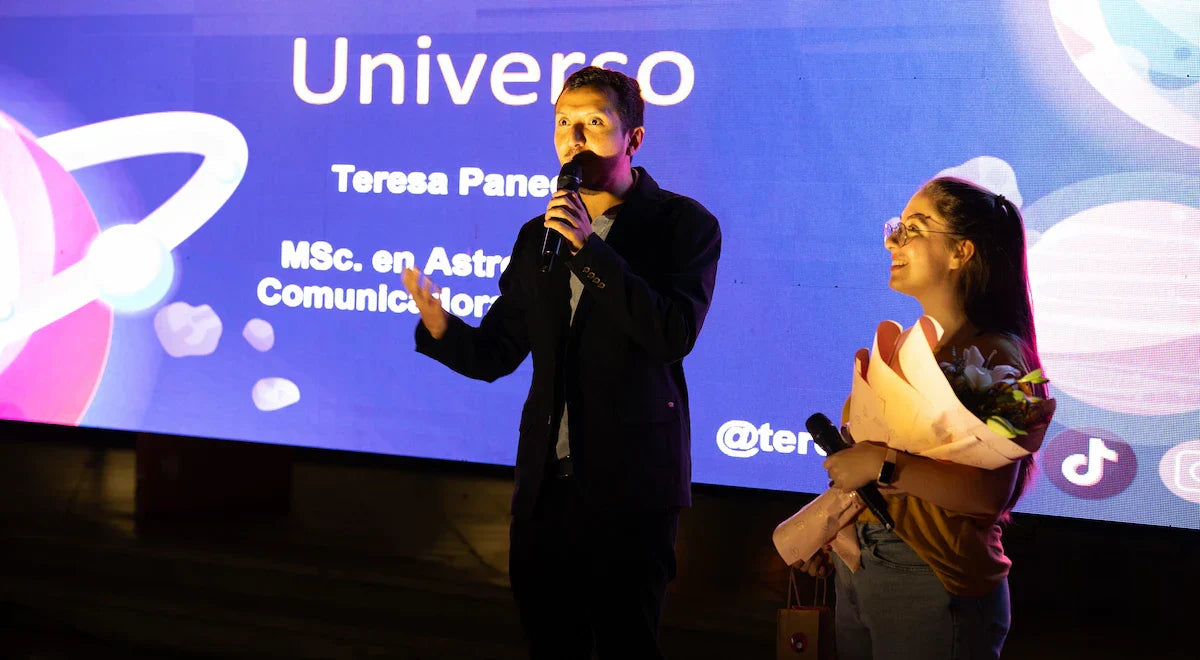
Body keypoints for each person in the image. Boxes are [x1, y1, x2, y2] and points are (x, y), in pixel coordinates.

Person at [401, 66, 721, 659]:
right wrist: (442, 328)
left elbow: (671, 333)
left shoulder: (683, 225)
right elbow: (498, 352)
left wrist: (590, 252)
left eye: (594, 123)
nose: (575, 138)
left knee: (627, 645)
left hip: (631, 491)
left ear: (634, 139)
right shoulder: (536, 236)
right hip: (546, 491)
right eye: (564, 124)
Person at [800, 177, 1049, 660]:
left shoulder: (997, 357)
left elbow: (987, 495)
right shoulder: (912, 347)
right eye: (896, 227)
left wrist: (885, 464)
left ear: (961, 252)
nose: (893, 241)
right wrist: (830, 529)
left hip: (933, 577)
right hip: (865, 565)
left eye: (914, 229)